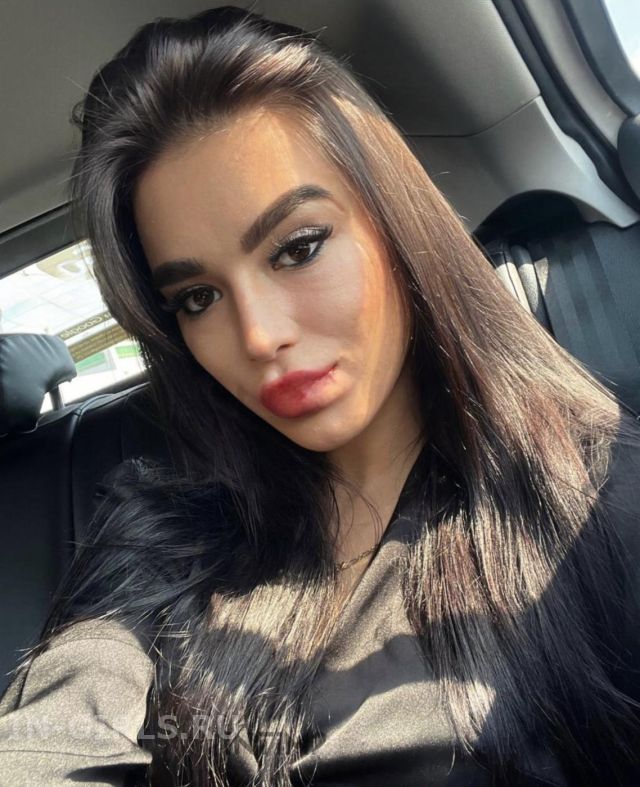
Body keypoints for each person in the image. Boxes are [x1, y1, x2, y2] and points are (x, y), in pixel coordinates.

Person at [1, 5, 639, 786]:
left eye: (298, 248)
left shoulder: (592, 498)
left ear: (393, 221)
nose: (258, 335)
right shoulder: (155, 534)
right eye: (197, 298)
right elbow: (53, 736)